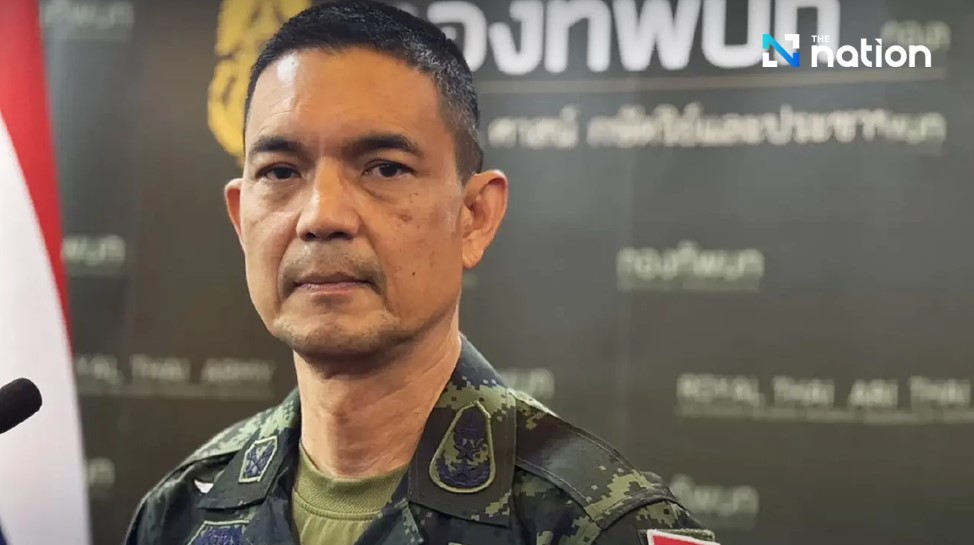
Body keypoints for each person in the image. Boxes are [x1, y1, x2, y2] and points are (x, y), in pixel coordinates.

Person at [123, 2, 717, 544]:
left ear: (475, 216)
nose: (322, 216)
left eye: (384, 168)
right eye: (280, 172)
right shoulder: (182, 513)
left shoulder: (596, 525)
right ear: (240, 218)